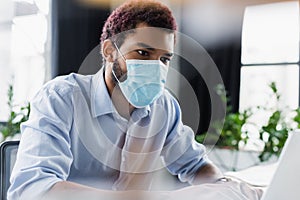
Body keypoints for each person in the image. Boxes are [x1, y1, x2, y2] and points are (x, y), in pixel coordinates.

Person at [8, 0, 262, 200]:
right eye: (143, 52)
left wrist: (223, 188)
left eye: (164, 59)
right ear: (109, 51)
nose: (155, 66)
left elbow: (195, 166)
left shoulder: (164, 106)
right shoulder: (62, 98)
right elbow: (32, 190)